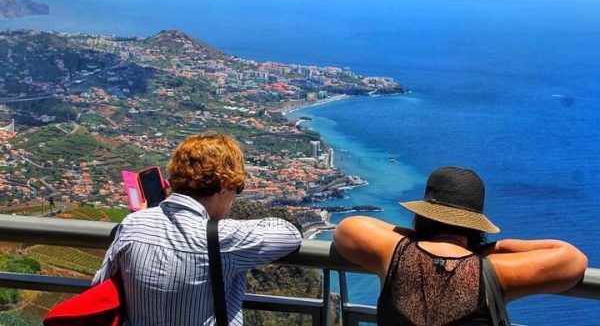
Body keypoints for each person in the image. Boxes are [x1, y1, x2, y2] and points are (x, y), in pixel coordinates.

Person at [333, 166, 588, 326]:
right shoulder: (495, 271)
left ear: (422, 216)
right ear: (476, 226)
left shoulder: (393, 252)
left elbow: (349, 227)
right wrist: (493, 248)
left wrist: (419, 238)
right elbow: (572, 259)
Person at [93, 133, 302, 325]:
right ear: (224, 185)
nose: (234, 197)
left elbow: (100, 288)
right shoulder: (224, 239)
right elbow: (290, 234)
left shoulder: (131, 225)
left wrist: (144, 215)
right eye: (237, 188)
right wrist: (238, 225)